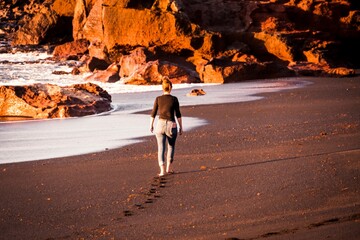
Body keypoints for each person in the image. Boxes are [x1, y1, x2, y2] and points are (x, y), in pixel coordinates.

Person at [150, 77, 183, 176]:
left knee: (161, 148)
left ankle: (162, 171)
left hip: (160, 124)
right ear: (171, 87)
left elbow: (153, 113)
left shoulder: (158, 99)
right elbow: (178, 114)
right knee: (171, 146)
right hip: (171, 125)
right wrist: (181, 127)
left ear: (162, 88)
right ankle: (169, 168)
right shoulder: (174, 99)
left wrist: (151, 125)